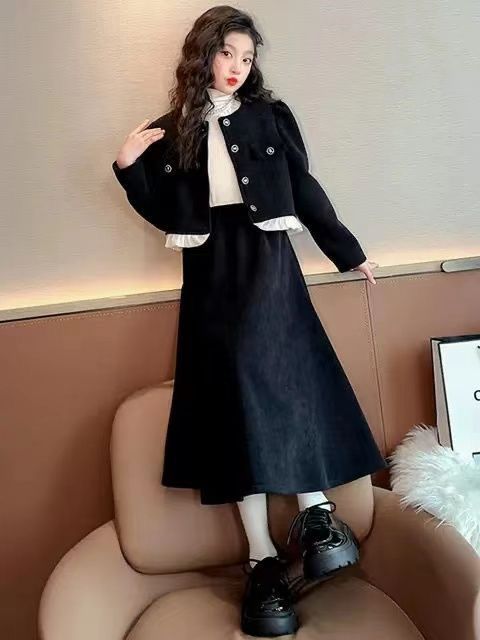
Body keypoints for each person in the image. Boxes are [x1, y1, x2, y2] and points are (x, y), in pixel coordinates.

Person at [112, 6, 387, 637]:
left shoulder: (271, 116)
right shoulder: (173, 128)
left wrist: (348, 252)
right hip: (209, 267)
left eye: (247, 56)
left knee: (281, 375)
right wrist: (127, 166)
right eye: (227, 53)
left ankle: (316, 513)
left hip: (268, 257)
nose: (237, 66)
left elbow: (304, 186)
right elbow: (163, 209)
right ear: (203, 54)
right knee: (233, 398)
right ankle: (262, 557)